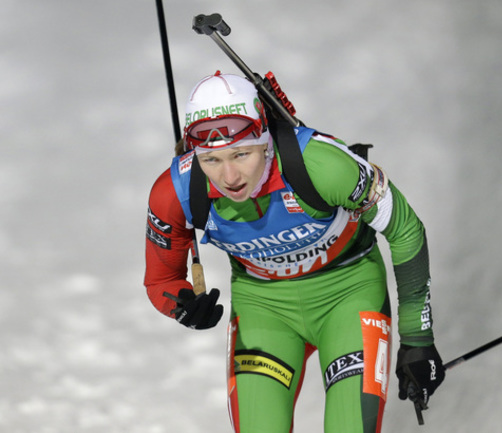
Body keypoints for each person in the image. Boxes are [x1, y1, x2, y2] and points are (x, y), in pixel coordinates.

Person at [144, 71, 445, 432]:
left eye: (241, 154)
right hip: (263, 309)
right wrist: (183, 305)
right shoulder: (175, 190)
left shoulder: (322, 166)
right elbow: (161, 280)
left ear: (264, 140)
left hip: (348, 294)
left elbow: (405, 229)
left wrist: (417, 338)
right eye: (212, 160)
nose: (229, 177)